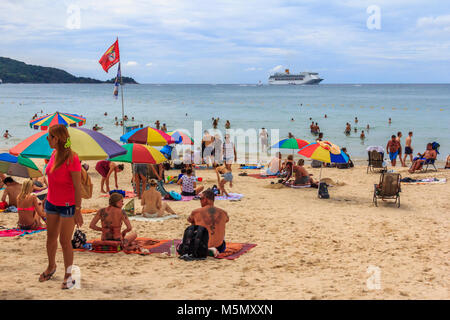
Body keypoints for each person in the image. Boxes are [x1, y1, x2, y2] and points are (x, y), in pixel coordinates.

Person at [40, 124, 82, 290]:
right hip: (51, 203)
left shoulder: (72, 158)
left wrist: (78, 210)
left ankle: (69, 275)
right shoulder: (53, 153)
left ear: (57, 138)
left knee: (64, 241)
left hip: (68, 206)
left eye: (49, 136)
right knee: (50, 239)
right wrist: (46, 198)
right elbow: (53, 179)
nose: (47, 139)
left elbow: (77, 187)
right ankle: (51, 267)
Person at [187, 189, 229, 257]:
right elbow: (226, 220)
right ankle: (212, 248)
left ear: (205, 199)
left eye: (200, 199)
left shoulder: (196, 212)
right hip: (220, 247)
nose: (200, 201)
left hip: (201, 245)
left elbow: (189, 220)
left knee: (193, 227)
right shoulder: (223, 213)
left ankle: (207, 248)